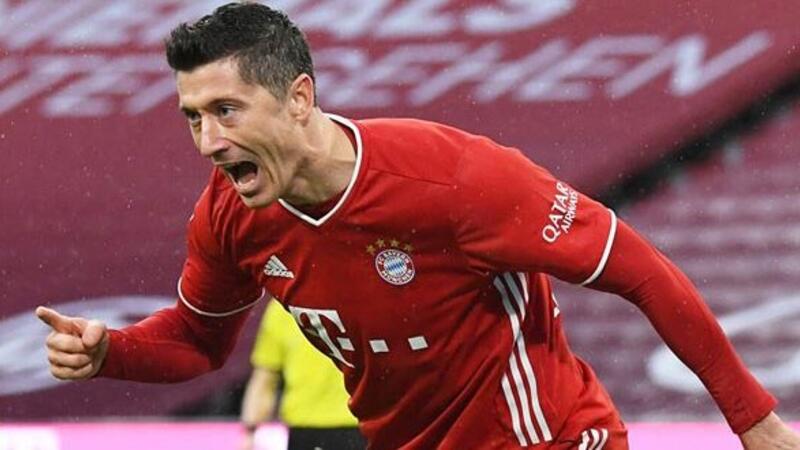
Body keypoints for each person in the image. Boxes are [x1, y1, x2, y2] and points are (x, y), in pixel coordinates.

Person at [35, 3, 800, 449]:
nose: (208, 140)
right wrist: (111, 354)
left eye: (226, 111)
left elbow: (642, 272)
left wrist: (754, 420)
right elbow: (196, 342)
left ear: (298, 98)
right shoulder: (231, 216)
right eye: (193, 117)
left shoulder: (455, 180)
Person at [240, 299, 365, 450]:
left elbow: (265, 380)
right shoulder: (365, 298)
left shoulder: (283, 305)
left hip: (306, 428)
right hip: (359, 423)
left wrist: (251, 431)